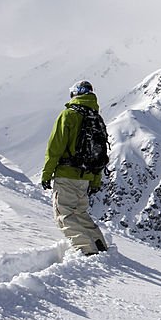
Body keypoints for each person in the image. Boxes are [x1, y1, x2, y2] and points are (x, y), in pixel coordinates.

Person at [41, 80, 109, 255]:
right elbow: (100, 155)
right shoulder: (96, 118)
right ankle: (100, 245)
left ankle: (87, 250)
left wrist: (47, 174)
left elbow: (55, 147)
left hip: (66, 175)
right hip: (85, 178)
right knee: (81, 213)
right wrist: (95, 180)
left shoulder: (69, 114)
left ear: (75, 94)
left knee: (64, 215)